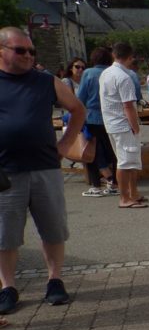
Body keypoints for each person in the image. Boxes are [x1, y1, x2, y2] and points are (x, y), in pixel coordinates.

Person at [0, 26, 86, 313]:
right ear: (2, 50)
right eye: (20, 50)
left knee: (53, 229)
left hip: (44, 167)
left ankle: (55, 280)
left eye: (31, 51)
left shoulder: (45, 81)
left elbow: (77, 109)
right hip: (6, 171)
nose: (28, 56)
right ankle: (8, 287)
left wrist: (65, 145)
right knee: (6, 233)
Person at [100, 42, 147, 209]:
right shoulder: (123, 77)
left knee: (131, 161)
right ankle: (125, 197)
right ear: (129, 57)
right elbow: (128, 106)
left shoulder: (106, 73)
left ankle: (133, 193)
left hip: (112, 123)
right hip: (122, 124)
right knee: (125, 162)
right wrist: (136, 126)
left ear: (114, 55)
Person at [76, 46, 119, 197]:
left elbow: (81, 97)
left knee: (91, 152)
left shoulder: (88, 73)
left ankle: (95, 186)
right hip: (111, 116)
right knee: (112, 151)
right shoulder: (112, 73)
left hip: (92, 117)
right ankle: (113, 183)